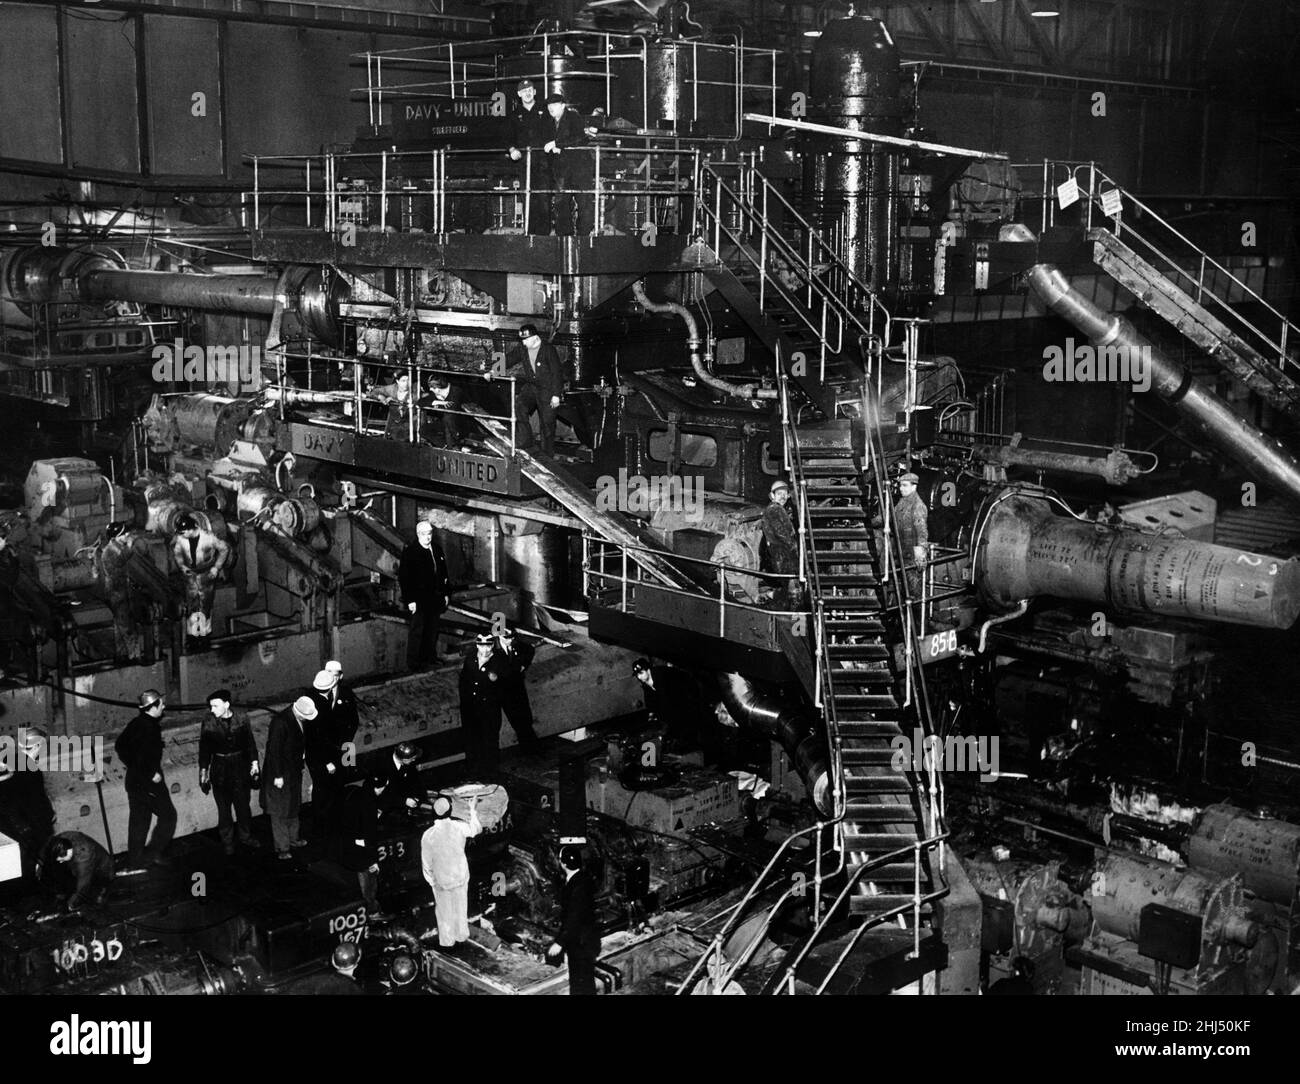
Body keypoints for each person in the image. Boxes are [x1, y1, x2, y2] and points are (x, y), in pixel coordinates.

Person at [114, 689, 177, 868]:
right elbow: (142, 756)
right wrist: (151, 773)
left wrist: (134, 766)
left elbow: (121, 746)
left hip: (134, 781)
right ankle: (152, 853)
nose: (163, 706)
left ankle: (135, 861)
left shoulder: (137, 723)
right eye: (161, 704)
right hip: (149, 782)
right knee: (169, 816)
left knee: (139, 822)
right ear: (153, 707)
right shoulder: (149, 729)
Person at [199, 690, 260, 857]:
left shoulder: (241, 719)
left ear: (226, 704)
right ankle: (227, 842)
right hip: (220, 770)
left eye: (215, 706)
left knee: (243, 807)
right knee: (224, 810)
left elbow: (250, 743)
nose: (212, 710)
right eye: (211, 706)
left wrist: (254, 764)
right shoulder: (209, 722)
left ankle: (245, 837)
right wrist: (203, 772)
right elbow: (204, 750)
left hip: (240, 767)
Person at [420, 793, 481, 949]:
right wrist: (472, 810)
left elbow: (426, 864)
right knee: (461, 908)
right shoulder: (458, 827)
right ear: (450, 812)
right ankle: (461, 935)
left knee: (444, 914)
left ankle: (448, 942)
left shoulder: (428, 836)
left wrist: (432, 881)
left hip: (442, 880)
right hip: (460, 875)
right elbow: (476, 829)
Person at [502, 324, 565, 456]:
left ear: (535, 338)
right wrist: (492, 370)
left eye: (526, 339)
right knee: (519, 407)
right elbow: (509, 359)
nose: (523, 342)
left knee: (547, 423)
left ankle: (547, 454)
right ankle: (525, 440)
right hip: (531, 387)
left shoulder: (548, 350)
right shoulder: (523, 348)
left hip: (547, 389)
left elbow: (557, 373)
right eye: (522, 340)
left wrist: (556, 395)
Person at [263, 696, 314, 860]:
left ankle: (293, 839)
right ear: (298, 713)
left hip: (293, 771)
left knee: (293, 805)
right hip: (281, 774)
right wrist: (277, 775)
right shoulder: (280, 722)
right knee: (279, 811)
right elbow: (273, 751)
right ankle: (282, 848)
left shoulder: (298, 719)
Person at [0, 726, 55, 876]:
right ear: (38, 746)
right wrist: (48, 815)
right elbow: (36, 803)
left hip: (9, 826)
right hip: (28, 828)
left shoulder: (7, 760)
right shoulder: (31, 770)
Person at [546, 845, 601, 995]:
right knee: (585, 980)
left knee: (579, 983)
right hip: (587, 939)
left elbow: (573, 918)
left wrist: (559, 943)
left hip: (580, 943)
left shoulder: (576, 886)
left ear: (563, 864)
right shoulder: (583, 877)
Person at [398, 520, 450, 670]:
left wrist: (446, 593)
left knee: (432, 629)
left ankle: (430, 658)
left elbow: (443, 573)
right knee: (417, 631)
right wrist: (410, 600)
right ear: (418, 534)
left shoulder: (437, 549)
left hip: (435, 598)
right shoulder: (410, 553)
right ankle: (414, 663)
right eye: (424, 534)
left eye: (429, 534)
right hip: (419, 600)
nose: (428, 537)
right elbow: (404, 578)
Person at [539, 90, 591, 235]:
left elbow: (580, 138)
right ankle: (564, 236)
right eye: (549, 104)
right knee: (561, 202)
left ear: (563, 106)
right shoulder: (549, 121)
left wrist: (557, 144)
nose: (551, 107)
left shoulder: (573, 117)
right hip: (561, 167)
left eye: (554, 104)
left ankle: (584, 237)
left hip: (579, 167)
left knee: (584, 202)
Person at [171, 514, 230, 642]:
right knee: (192, 605)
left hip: (206, 575)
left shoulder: (208, 537)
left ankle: (204, 635)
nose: (181, 535)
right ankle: (193, 636)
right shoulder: (181, 539)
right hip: (191, 576)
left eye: (183, 532)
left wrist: (216, 567)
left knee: (205, 606)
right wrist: (182, 567)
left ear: (191, 529)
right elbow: (177, 553)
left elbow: (224, 549)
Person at [99, 522, 149, 662]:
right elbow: (122, 559)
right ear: (117, 536)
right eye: (124, 534)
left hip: (119, 591)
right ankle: (135, 657)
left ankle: (121, 654)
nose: (127, 535)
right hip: (117, 593)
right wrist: (130, 544)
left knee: (120, 625)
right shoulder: (110, 552)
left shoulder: (115, 547)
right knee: (126, 626)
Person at [459, 633, 507, 775]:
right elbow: (463, 681)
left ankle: (490, 773)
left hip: (489, 709)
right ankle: (472, 771)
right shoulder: (471, 658)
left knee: (489, 741)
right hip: (471, 708)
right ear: (477, 645)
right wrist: (465, 702)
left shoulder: (499, 660)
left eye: (488, 646)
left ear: (492, 645)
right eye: (481, 646)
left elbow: (504, 685)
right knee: (471, 740)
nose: (484, 650)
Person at [340, 776, 386, 918]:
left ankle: (370, 909)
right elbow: (370, 836)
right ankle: (373, 912)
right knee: (368, 880)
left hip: (348, 842)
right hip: (362, 849)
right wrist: (374, 861)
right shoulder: (370, 804)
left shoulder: (356, 794)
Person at [507, 78, 547, 233]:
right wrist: (512, 150)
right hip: (524, 162)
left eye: (530, 90)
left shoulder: (544, 110)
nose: (527, 93)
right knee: (527, 196)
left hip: (543, 161)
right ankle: (530, 233)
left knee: (543, 197)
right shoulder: (514, 114)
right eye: (524, 91)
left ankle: (544, 235)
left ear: (534, 92)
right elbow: (508, 136)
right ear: (519, 94)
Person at [493, 627, 540, 754]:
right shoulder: (492, 651)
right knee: (516, 720)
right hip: (503, 691)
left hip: (517, 687)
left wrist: (523, 665)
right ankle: (530, 749)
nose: (510, 641)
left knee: (525, 718)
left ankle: (531, 748)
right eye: (506, 638)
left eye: (511, 638)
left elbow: (530, 649)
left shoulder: (517, 646)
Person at [42, 831, 115, 910]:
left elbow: (83, 883)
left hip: (101, 872)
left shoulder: (84, 855)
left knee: (94, 903)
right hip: (75, 867)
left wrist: (70, 903)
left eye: (62, 859)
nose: (60, 861)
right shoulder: (60, 840)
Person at [893, 471, 929, 605]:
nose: (901, 488)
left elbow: (922, 531)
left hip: (912, 558)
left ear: (914, 487)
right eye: (900, 486)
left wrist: (920, 554)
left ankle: (921, 624)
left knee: (915, 595)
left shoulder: (917, 506)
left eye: (905, 485)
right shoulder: (902, 503)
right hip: (902, 554)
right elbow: (889, 516)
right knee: (904, 594)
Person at [760, 479, 798, 603]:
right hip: (783, 555)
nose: (782, 496)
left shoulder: (777, 509)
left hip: (781, 554)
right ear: (772, 496)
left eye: (784, 494)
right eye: (779, 494)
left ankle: (773, 596)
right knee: (791, 587)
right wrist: (794, 545)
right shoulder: (774, 509)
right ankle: (773, 596)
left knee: (789, 585)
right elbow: (780, 532)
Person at [378, 742, 427, 820]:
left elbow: (415, 780)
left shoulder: (408, 764)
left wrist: (416, 796)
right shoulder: (383, 767)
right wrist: (404, 801)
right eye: (412, 758)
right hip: (385, 809)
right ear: (404, 759)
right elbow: (381, 795)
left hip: (403, 804)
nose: (414, 760)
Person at [421, 376, 468, 448]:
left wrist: (438, 405)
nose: (430, 389)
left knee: (448, 418)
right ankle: (444, 445)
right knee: (424, 430)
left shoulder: (456, 391)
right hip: (446, 422)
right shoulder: (437, 394)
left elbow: (451, 408)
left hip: (461, 423)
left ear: (439, 388)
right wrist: (439, 402)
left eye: (433, 388)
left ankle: (452, 446)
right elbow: (420, 402)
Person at [369, 370, 418, 441]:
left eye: (408, 380)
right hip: (395, 424)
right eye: (403, 381)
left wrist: (394, 400)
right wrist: (380, 396)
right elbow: (373, 392)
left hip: (410, 424)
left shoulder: (414, 390)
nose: (406, 383)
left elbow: (422, 397)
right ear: (397, 381)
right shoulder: (391, 389)